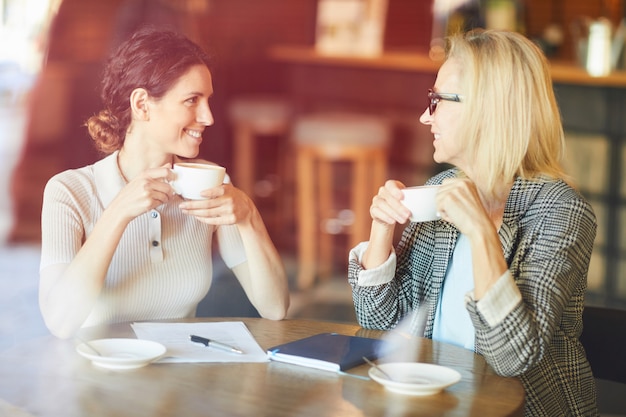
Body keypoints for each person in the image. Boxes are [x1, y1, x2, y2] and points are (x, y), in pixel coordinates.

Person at [348, 29, 598, 416]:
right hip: (439, 403)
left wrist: (481, 232)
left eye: (436, 101)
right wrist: (381, 229)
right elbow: (379, 323)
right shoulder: (440, 191)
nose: (423, 115)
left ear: (487, 108)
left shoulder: (559, 211)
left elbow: (512, 357)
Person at [39, 27, 290, 339]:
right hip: (98, 380)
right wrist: (118, 213)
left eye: (207, 100)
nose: (208, 116)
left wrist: (249, 215)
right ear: (142, 104)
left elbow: (275, 307)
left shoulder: (211, 184)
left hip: (180, 380)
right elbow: (60, 321)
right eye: (192, 100)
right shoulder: (69, 192)